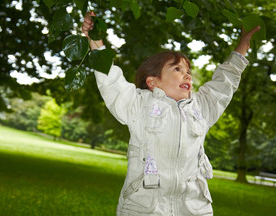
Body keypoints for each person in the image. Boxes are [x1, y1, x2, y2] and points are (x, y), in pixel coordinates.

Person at [82, 12, 260, 216]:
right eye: (177, 68)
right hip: (145, 209)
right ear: (153, 81)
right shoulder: (138, 105)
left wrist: (243, 46)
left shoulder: (201, 108)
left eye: (189, 71)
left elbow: (225, 81)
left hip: (194, 208)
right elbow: (109, 79)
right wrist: (95, 40)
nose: (187, 74)